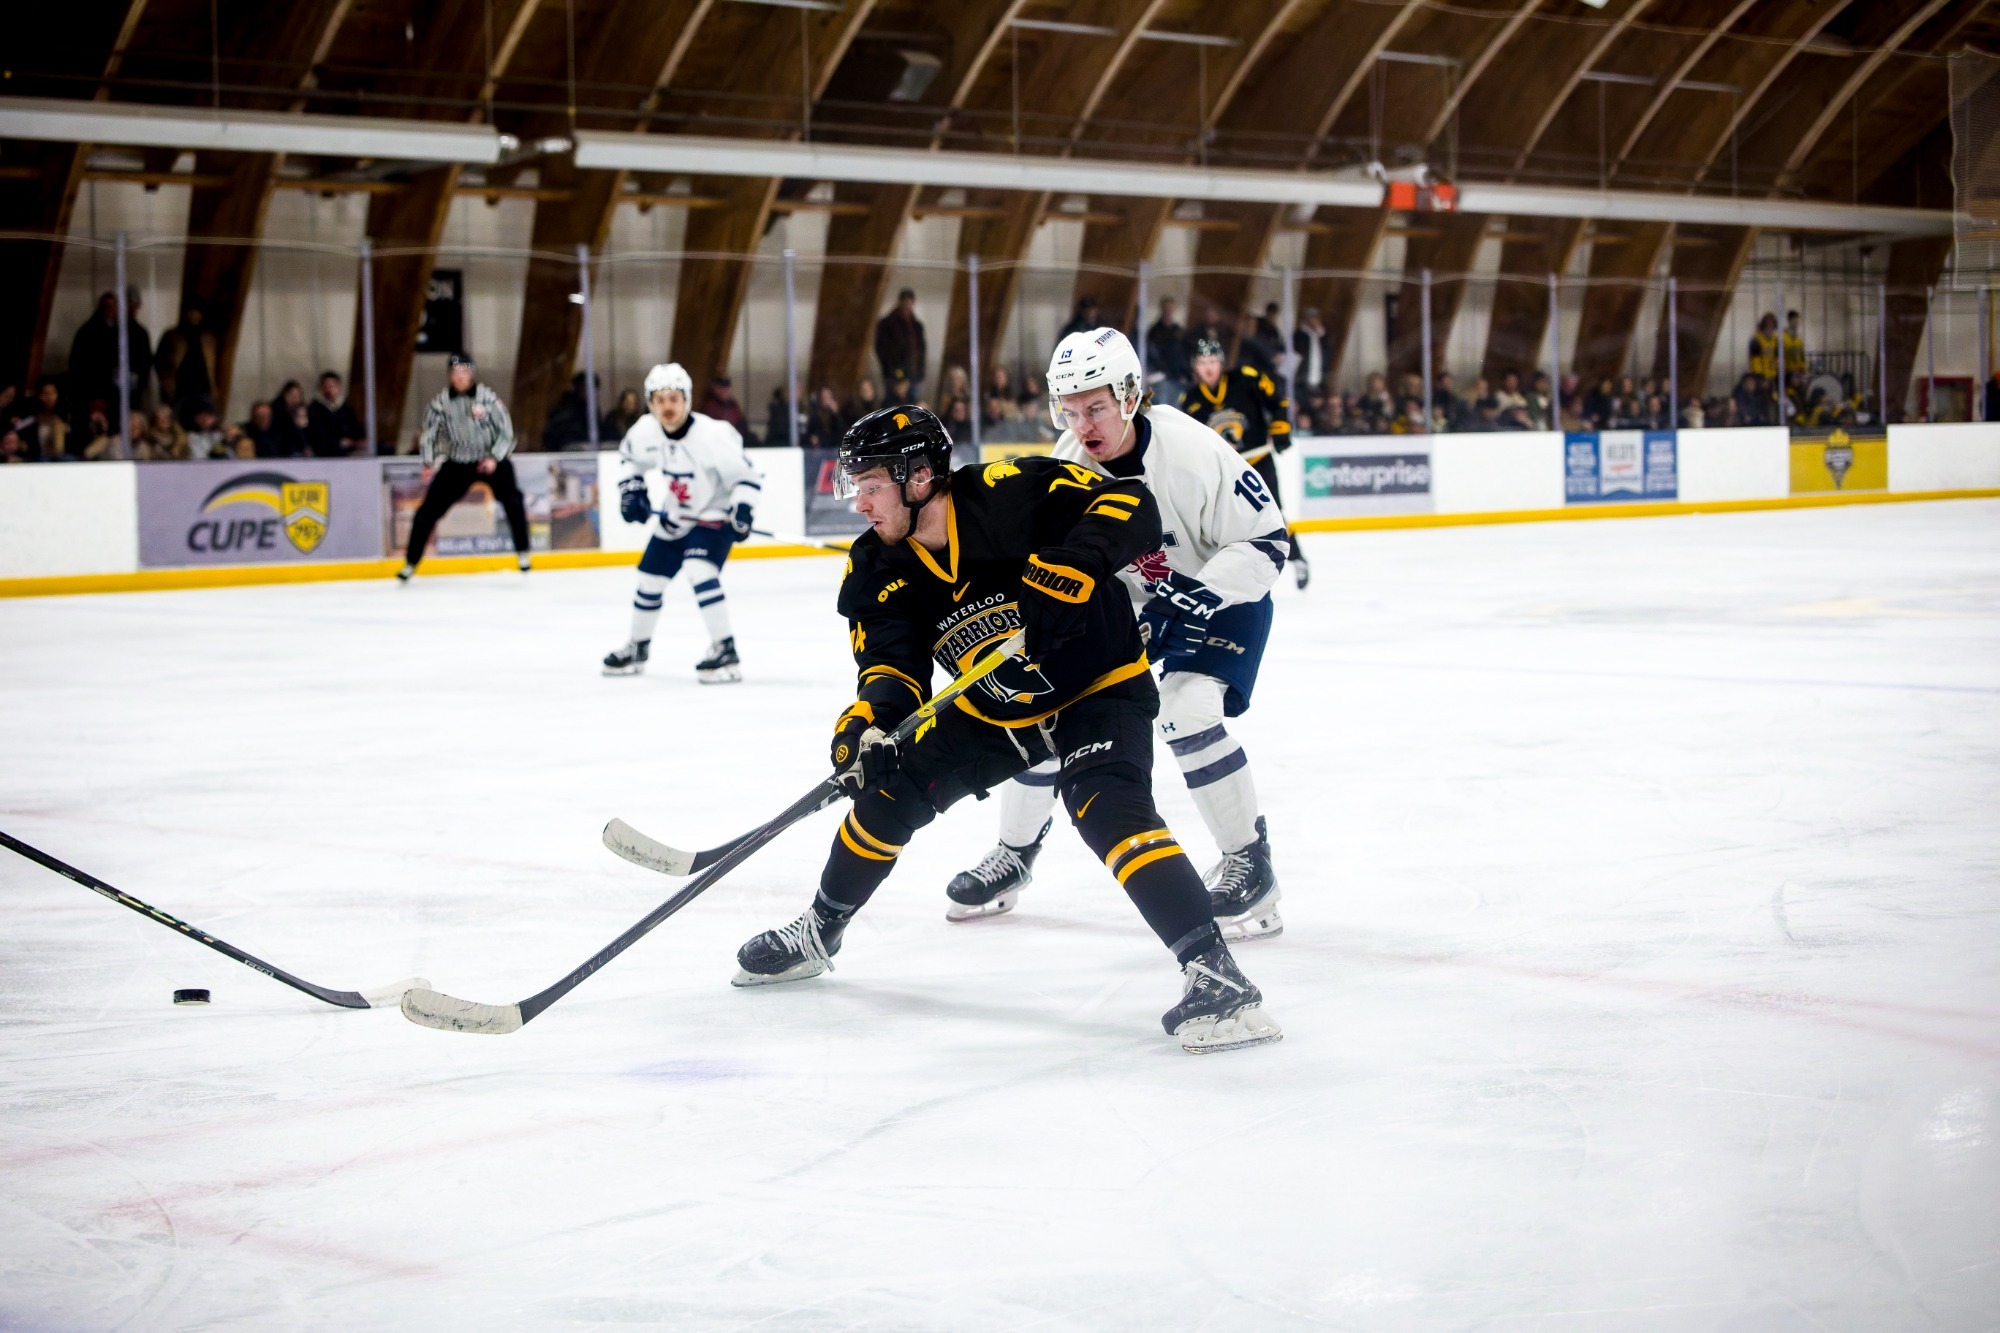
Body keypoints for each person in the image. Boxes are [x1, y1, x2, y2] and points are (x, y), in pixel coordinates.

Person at [731, 404, 1281, 1053]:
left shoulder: (1011, 491)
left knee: (1106, 806)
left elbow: (1132, 504)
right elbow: (891, 668)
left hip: (1098, 686)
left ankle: (1217, 973)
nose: (860, 502)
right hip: (995, 710)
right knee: (888, 791)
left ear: (917, 476)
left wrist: (1080, 560)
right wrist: (867, 726)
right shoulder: (874, 565)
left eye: (871, 484)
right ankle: (820, 931)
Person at [947, 326, 1291, 941]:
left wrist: (1199, 596)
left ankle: (1249, 861)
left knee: (1187, 710)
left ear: (1130, 396)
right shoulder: (1069, 464)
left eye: (1096, 408)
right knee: (1047, 706)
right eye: (1070, 411)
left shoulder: (1191, 450)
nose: (1083, 425)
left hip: (1227, 594)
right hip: (1139, 605)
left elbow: (1267, 541)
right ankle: (1015, 853)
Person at [601, 362, 763, 683]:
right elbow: (629, 460)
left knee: (699, 569)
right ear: (650, 403)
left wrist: (743, 509)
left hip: (714, 516)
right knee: (649, 579)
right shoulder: (645, 431)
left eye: (674, 398)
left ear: (687, 399)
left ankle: (725, 648)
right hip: (676, 516)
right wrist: (632, 491)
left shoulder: (713, 435)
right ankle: (637, 647)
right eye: (659, 399)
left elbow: (747, 476)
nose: (667, 406)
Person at [1178, 336, 1308, 591]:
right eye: (1203, 362)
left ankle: (1297, 558)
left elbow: (1279, 400)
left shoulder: (1247, 379)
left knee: (1273, 516)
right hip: (1223, 471)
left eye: (1213, 361)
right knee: (1223, 523)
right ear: (1195, 366)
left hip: (1258, 463)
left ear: (1221, 362)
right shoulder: (1190, 400)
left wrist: (1280, 428)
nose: (1208, 367)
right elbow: (1189, 439)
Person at [398, 353, 528, 581]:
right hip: (458, 463)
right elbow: (429, 434)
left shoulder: (487, 398)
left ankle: (523, 553)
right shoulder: (440, 403)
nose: (460, 377)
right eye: (456, 373)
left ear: (471, 374)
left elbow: (506, 431)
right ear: (450, 375)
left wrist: (494, 457)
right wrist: (428, 461)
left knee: (514, 502)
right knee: (427, 512)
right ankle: (411, 562)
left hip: (490, 460)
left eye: (464, 372)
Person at [155, 303, 217, 424]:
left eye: (197, 313)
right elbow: (159, 360)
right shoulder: (172, 336)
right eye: (192, 312)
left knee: (206, 421)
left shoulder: (208, 337)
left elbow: (214, 365)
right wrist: (166, 381)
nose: (195, 316)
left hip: (203, 387)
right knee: (176, 421)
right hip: (179, 388)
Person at [873, 287, 927, 403]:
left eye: (910, 302)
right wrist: (895, 374)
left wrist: (919, 372)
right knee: (894, 404)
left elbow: (921, 351)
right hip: (895, 375)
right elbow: (882, 350)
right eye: (905, 302)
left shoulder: (916, 326)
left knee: (912, 406)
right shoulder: (888, 324)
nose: (908, 306)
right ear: (900, 302)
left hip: (913, 374)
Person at [307, 372, 365, 456]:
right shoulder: (314, 409)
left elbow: (355, 428)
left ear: (338, 388)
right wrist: (339, 442)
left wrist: (357, 441)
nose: (329, 390)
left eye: (331, 386)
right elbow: (317, 435)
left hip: (349, 451)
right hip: (325, 453)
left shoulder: (347, 407)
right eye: (325, 387)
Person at [1146, 297, 1191, 400]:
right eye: (1166, 308)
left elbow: (1182, 353)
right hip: (1161, 376)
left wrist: (1184, 373)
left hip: (1177, 377)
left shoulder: (1177, 330)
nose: (1168, 310)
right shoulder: (1155, 330)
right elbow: (1152, 353)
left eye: (1170, 308)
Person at [1292, 307, 1328, 398]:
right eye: (1311, 318)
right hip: (1302, 380)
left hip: (1318, 380)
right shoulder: (1299, 336)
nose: (1314, 321)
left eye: (1316, 318)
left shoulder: (1321, 337)